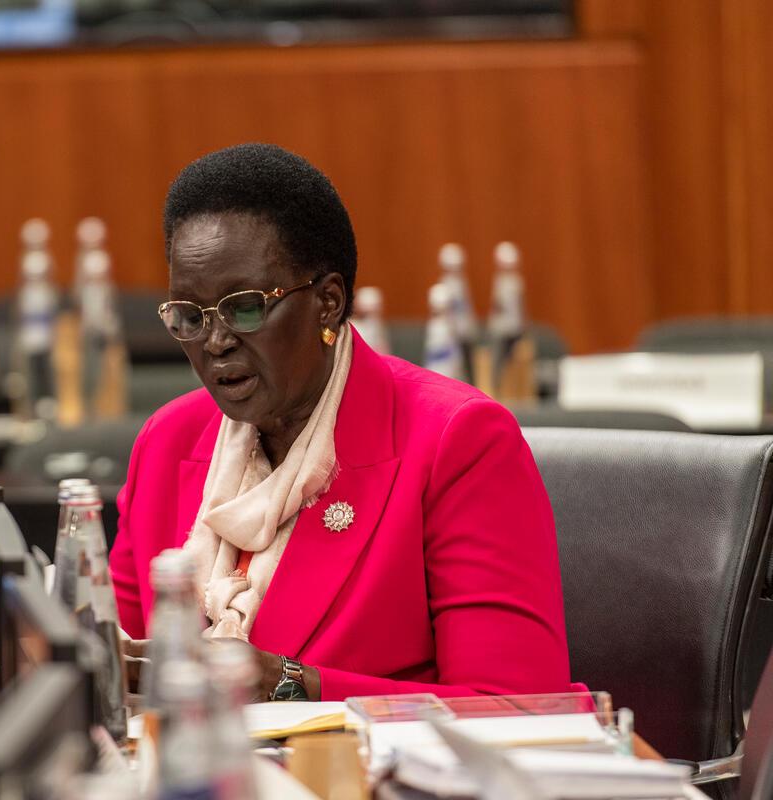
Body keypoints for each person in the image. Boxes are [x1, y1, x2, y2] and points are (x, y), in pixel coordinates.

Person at [110, 143, 571, 702]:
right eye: (189, 316)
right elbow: (118, 659)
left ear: (328, 302)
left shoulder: (458, 444)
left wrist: (289, 684)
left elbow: (522, 708)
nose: (215, 342)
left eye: (246, 308)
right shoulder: (166, 443)